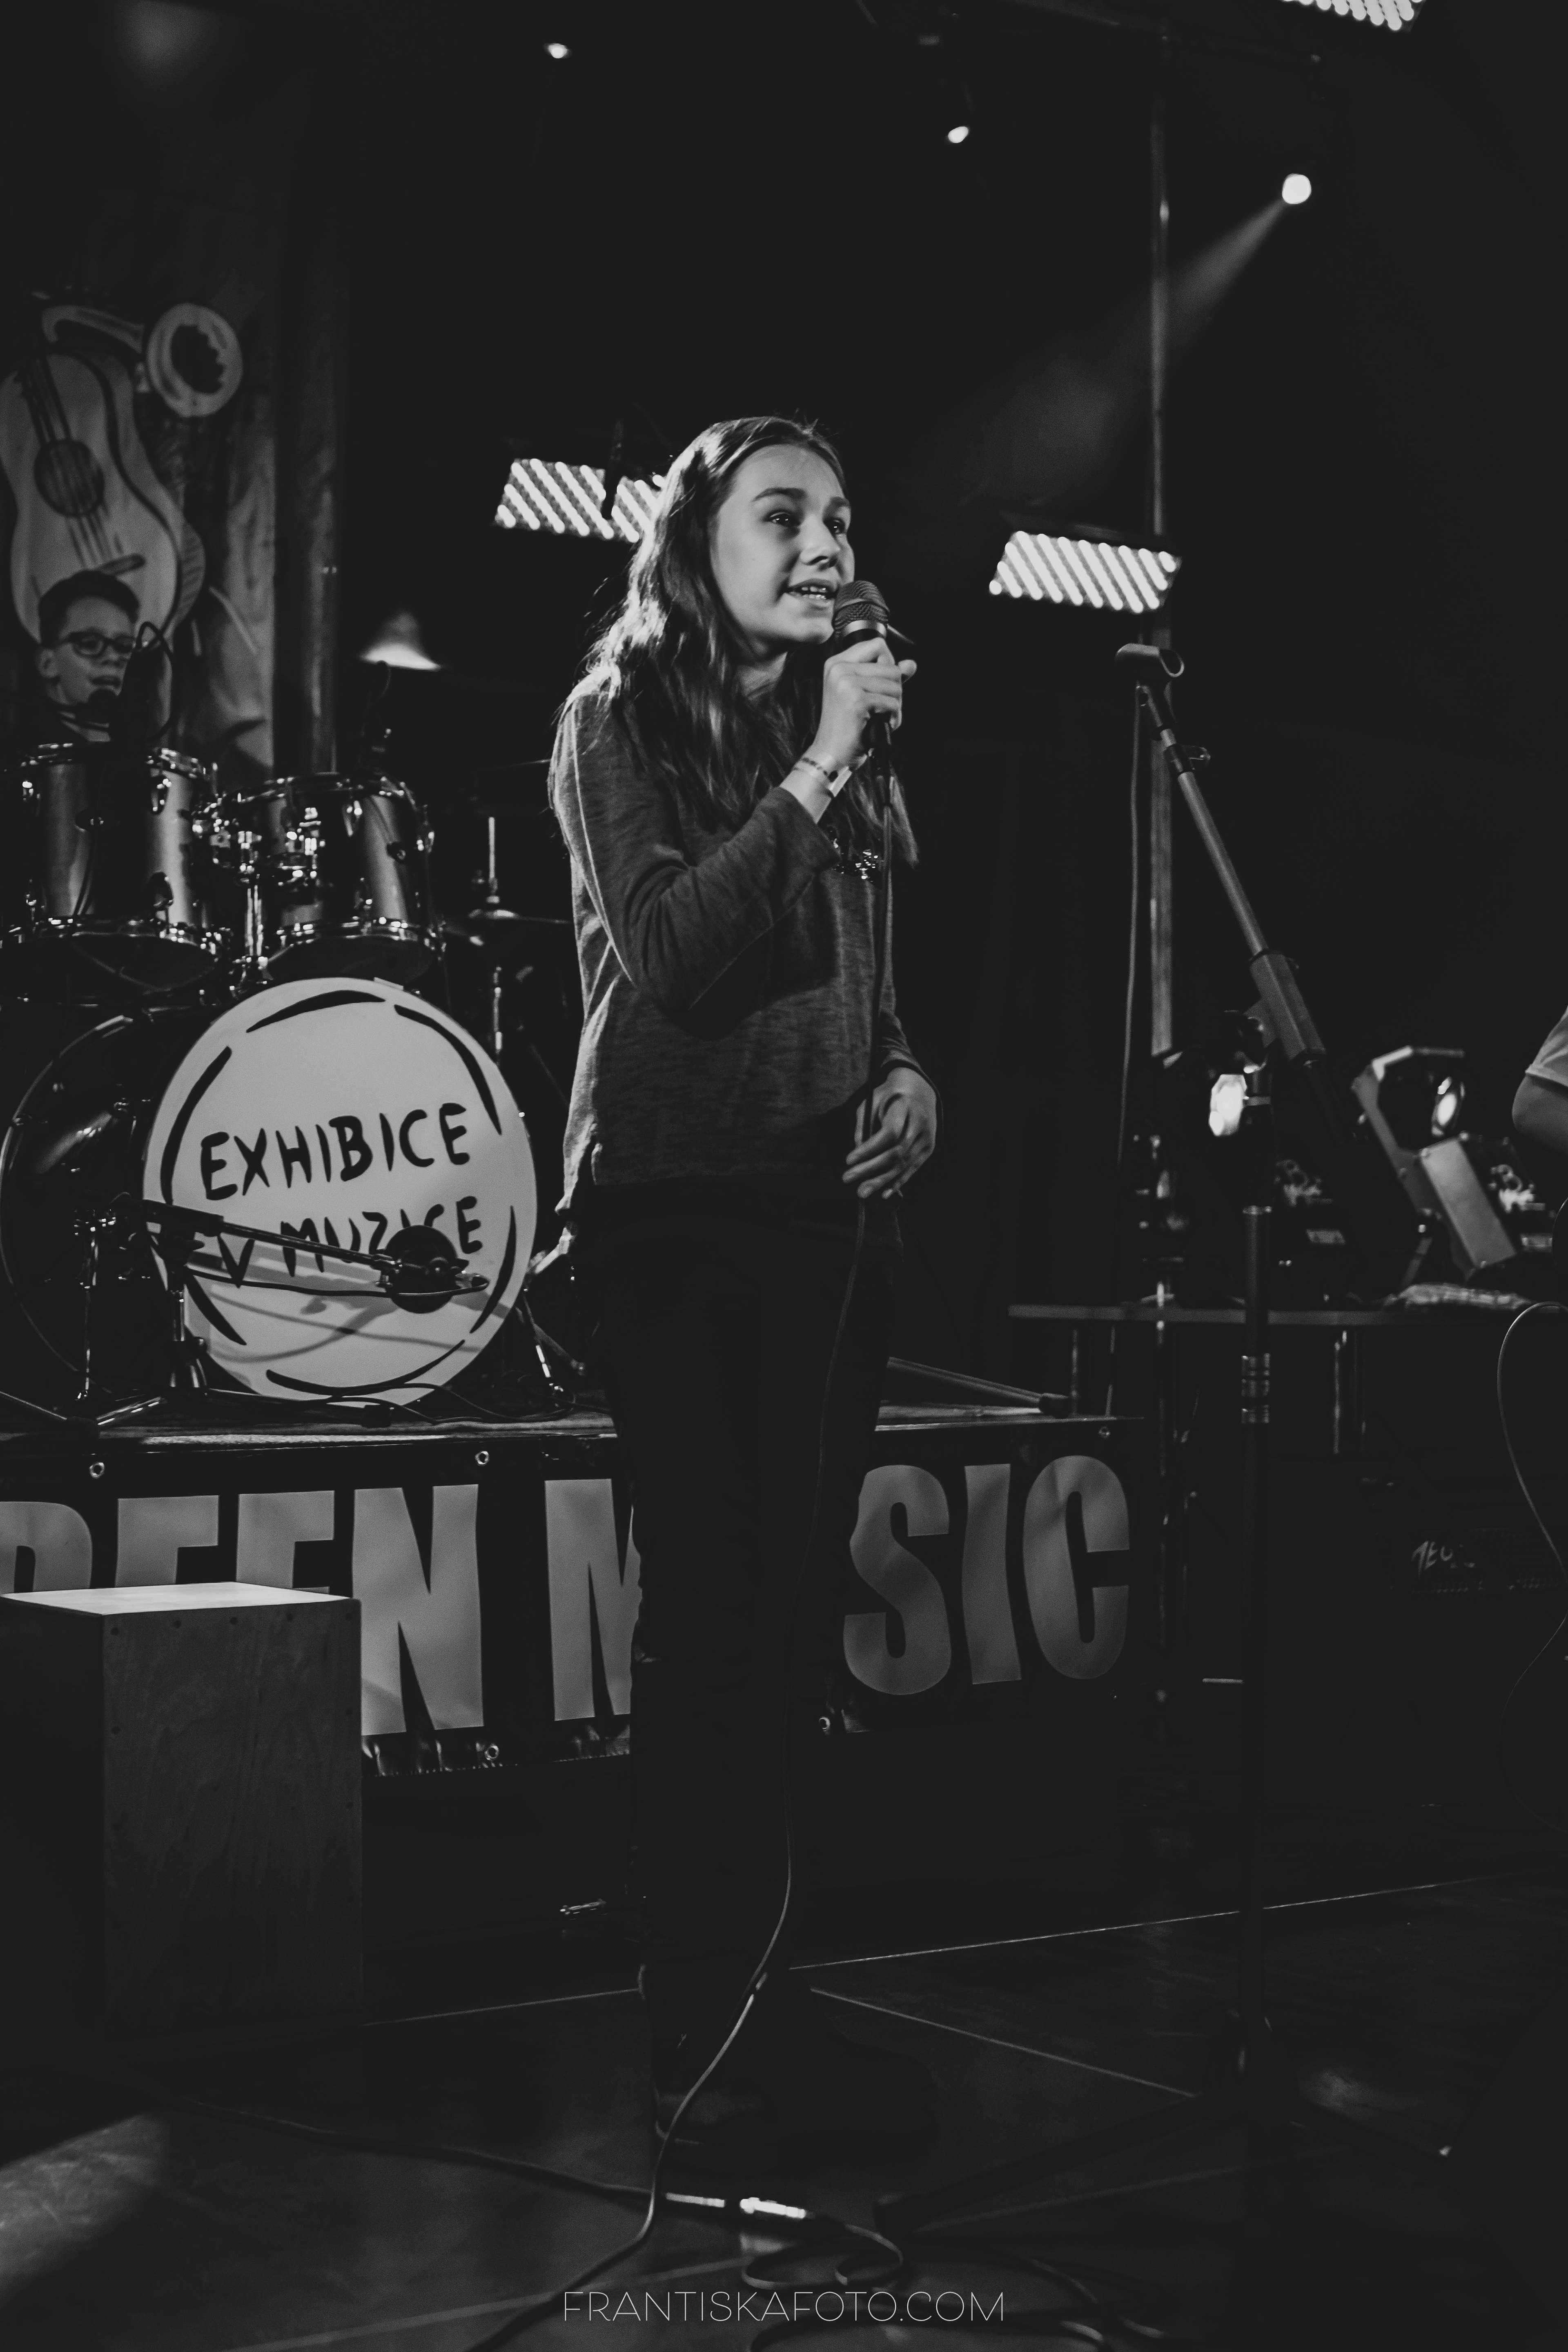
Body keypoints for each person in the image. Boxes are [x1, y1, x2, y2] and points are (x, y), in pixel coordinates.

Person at [548, 415, 940, 2159]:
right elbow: (675, 954)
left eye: (839, 518)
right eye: (782, 514)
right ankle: (694, 2042)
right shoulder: (617, 717)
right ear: (695, 540)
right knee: (711, 1623)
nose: (823, 543)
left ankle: (773, 2007)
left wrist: (908, 1075)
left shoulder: (836, 737)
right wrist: (825, 762)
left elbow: (866, 982)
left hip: (823, 1225)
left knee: (787, 1632)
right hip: (679, 1216)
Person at [32, 571, 139, 742]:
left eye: (124, 646)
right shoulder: (18, 753)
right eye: (90, 644)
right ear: (47, 663)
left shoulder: (138, 751)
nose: (113, 657)